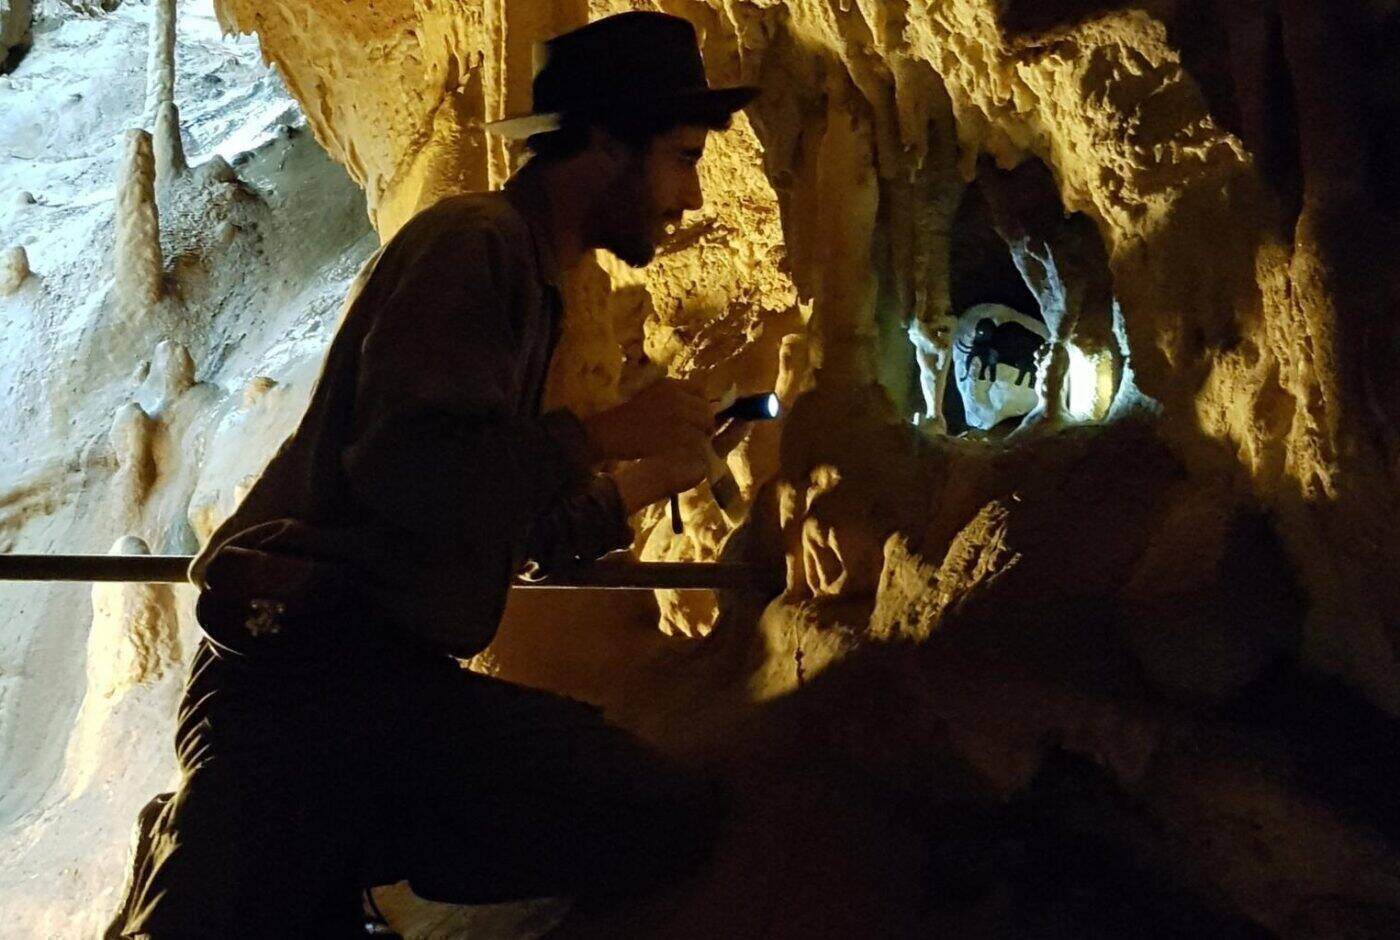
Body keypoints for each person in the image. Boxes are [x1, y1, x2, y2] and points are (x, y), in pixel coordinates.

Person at [109, 12, 757, 937]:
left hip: (368, 692)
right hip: (301, 695)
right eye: (684, 156)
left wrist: (641, 485)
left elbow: (477, 516)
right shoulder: (475, 246)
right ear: (608, 141)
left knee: (640, 808)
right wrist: (602, 434)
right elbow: (412, 473)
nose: (689, 196)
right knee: (640, 809)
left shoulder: (530, 279)